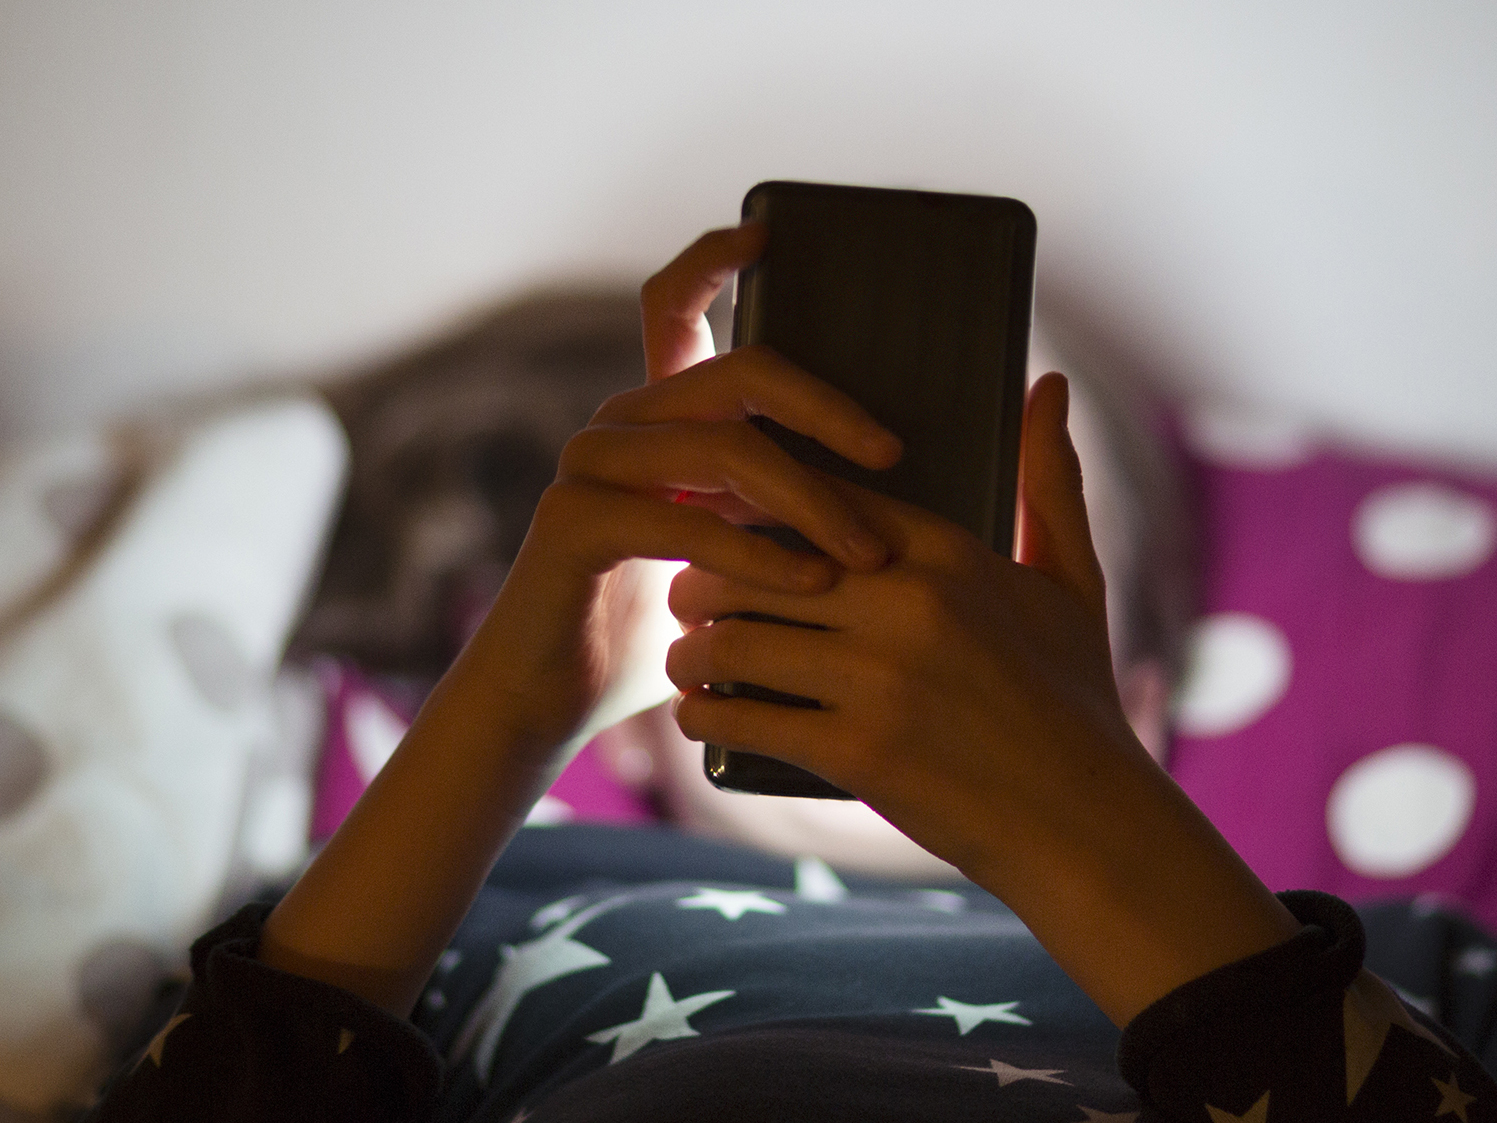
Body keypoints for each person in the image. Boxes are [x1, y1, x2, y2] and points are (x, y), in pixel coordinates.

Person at [87, 224, 1497, 1121]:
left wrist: (1099, 832)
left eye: (973, 558)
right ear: (641, 732)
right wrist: (506, 719)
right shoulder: (462, 915)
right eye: (790, 528)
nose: (885, 580)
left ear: (1132, 701)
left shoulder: (1390, 961)